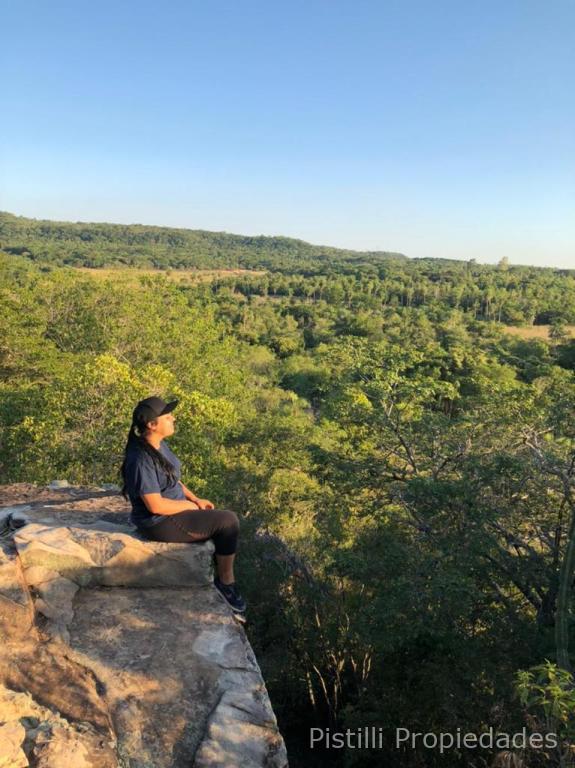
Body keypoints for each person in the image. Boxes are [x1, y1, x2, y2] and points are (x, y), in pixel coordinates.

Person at [120, 396, 246, 615]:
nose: (173, 419)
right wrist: (189, 506)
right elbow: (155, 506)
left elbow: (172, 478)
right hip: (159, 522)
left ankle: (220, 573)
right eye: (168, 417)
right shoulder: (141, 458)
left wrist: (195, 499)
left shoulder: (158, 445)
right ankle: (226, 583)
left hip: (174, 511)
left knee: (221, 519)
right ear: (152, 425)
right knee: (228, 521)